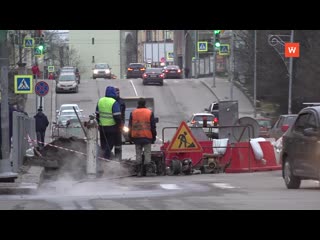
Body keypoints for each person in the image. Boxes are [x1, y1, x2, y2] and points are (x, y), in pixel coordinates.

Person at [128, 97, 157, 177]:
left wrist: (130, 137)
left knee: (138, 154)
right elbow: (152, 126)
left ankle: (139, 172)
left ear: (138, 103)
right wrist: (154, 136)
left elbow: (130, 126)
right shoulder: (149, 112)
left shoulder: (133, 113)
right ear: (145, 104)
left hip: (136, 136)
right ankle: (148, 171)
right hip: (147, 136)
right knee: (147, 153)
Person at [95, 86, 122, 159]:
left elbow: (97, 114)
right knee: (110, 143)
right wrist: (119, 126)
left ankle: (102, 157)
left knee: (103, 143)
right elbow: (117, 116)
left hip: (102, 127)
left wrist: (99, 123)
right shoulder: (114, 102)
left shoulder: (100, 101)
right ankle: (106, 157)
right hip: (112, 127)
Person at [114, 87, 126, 160]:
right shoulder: (111, 101)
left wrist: (122, 124)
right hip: (111, 125)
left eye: (118, 92)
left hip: (118, 126)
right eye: (116, 92)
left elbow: (123, 114)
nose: (117, 94)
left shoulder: (121, 102)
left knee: (118, 144)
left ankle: (118, 159)